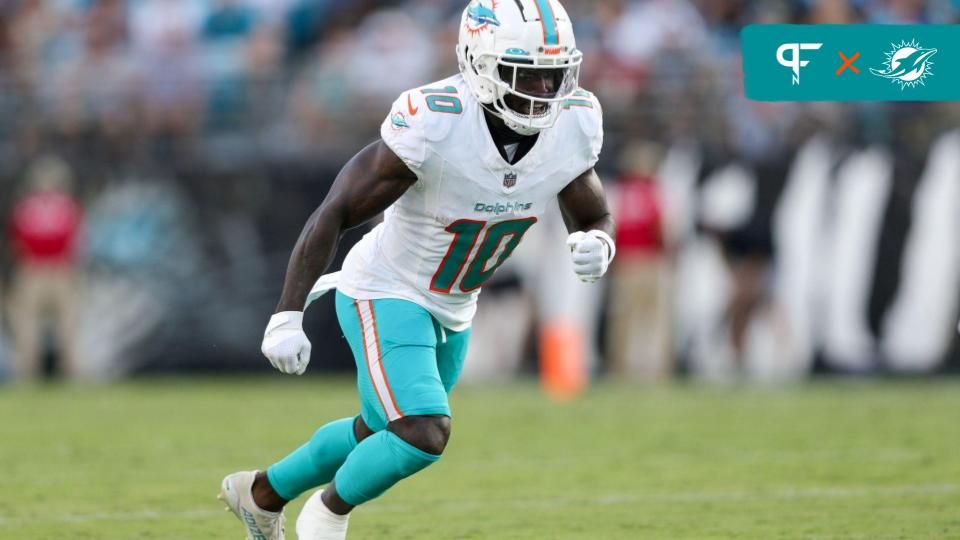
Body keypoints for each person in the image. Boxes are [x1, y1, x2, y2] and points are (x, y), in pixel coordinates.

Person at [219, 2, 615, 538]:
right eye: (527, 74)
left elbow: (593, 214)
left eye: (555, 74)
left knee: (378, 431)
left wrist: (599, 242)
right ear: (480, 64)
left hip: (455, 305)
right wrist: (287, 313)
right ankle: (327, 515)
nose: (545, 90)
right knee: (423, 430)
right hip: (387, 288)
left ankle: (261, 493)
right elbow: (336, 209)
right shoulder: (437, 121)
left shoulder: (574, 122)